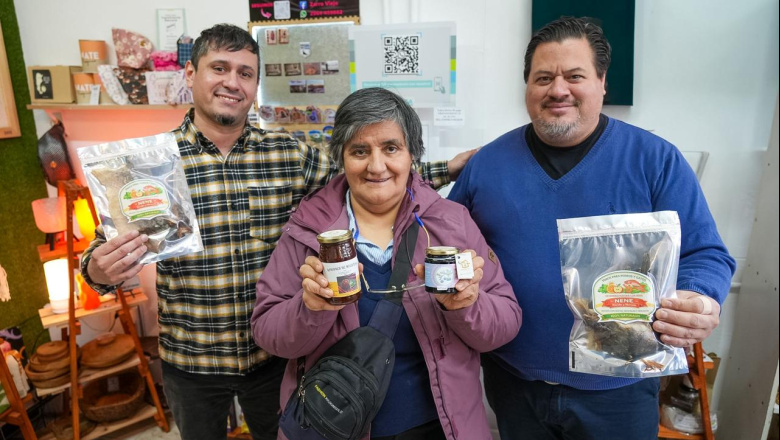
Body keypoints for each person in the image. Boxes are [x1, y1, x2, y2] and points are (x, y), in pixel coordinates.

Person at [79, 24, 475, 440]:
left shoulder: (287, 154)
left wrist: (448, 169)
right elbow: (104, 249)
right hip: (191, 362)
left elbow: (366, 175)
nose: (232, 82)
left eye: (245, 73)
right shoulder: (152, 163)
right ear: (190, 75)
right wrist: (101, 271)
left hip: (270, 358)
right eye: (219, 68)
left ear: (254, 85)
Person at [447, 17, 736, 440]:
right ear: (527, 87)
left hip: (621, 388)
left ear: (602, 82)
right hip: (512, 382)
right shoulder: (486, 165)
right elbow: (448, 247)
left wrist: (698, 297)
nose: (557, 89)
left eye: (574, 76)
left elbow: (706, 253)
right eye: (542, 77)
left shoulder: (655, 160)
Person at [250, 87, 522, 440]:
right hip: (333, 426)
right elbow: (268, 333)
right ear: (342, 158)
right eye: (360, 151)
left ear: (413, 155)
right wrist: (310, 308)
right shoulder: (308, 231)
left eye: (390, 148)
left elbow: (506, 323)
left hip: (443, 427)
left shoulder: (451, 223)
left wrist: (468, 305)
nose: (376, 166)